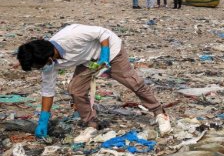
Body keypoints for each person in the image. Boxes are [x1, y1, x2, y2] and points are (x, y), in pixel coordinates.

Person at [16, 24, 171, 141]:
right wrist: (43, 120)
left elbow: (102, 33)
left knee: (133, 83)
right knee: (76, 90)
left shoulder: (71, 35)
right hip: (88, 60)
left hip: (111, 51)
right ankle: (92, 124)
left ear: (48, 58)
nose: (40, 69)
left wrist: (105, 54)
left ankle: (160, 113)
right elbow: (48, 91)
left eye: (38, 66)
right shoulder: (49, 65)